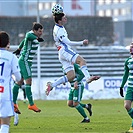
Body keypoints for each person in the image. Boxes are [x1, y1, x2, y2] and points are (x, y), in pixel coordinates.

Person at [46, 6, 100, 95]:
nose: (65, 18)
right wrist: (82, 42)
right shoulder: (59, 30)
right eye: (64, 18)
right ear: (59, 20)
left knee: (71, 76)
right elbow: (68, 42)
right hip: (64, 50)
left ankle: (52, 85)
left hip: (61, 52)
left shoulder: (59, 27)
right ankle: (87, 78)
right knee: (82, 61)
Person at [13, 22, 44, 114]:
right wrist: (37, 38)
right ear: (34, 30)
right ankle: (31, 104)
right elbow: (29, 37)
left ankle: (14, 103)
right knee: (28, 81)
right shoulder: (30, 34)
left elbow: (24, 41)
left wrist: (19, 49)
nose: (41, 33)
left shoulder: (32, 36)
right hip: (24, 61)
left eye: (42, 31)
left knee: (19, 82)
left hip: (28, 62)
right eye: (39, 31)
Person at [0, 31, 21, 133]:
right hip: (4, 94)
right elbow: (18, 77)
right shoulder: (11, 57)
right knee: (5, 123)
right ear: (8, 43)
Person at [120, 42, 133, 132]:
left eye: (132, 48)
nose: (130, 49)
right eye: (130, 48)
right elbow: (126, 74)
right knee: (127, 106)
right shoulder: (128, 61)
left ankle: (132, 128)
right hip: (130, 87)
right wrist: (121, 86)